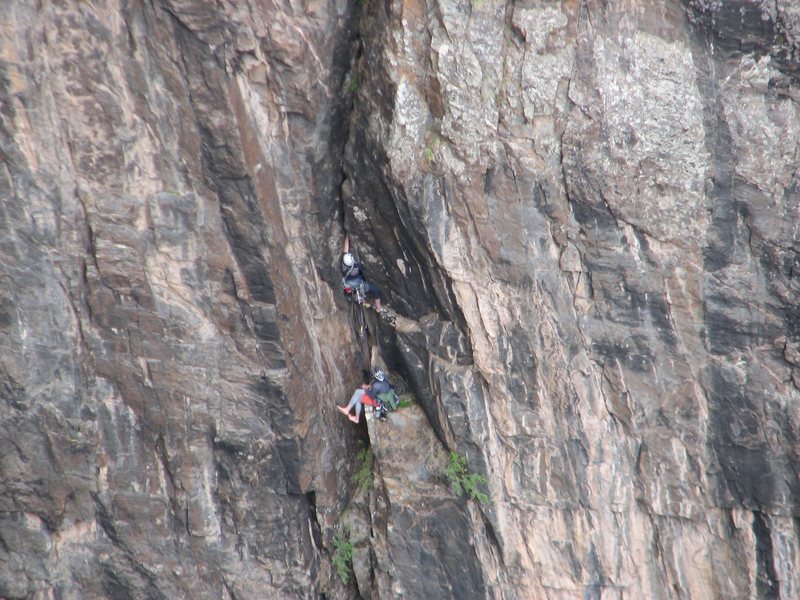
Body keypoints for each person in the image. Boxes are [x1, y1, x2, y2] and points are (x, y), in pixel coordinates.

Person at [342, 235, 383, 312]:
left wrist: (346, 236)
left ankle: (361, 300)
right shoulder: (357, 266)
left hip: (348, 286)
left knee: (355, 292)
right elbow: (363, 271)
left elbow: (345, 249)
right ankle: (379, 307)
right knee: (376, 290)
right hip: (359, 285)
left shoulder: (343, 265)